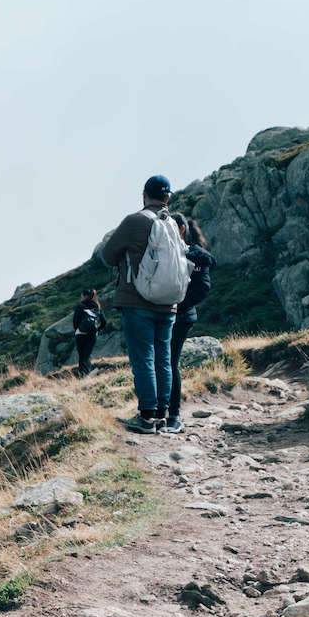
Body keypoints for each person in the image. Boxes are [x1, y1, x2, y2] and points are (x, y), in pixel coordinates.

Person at [94, 174, 186, 433]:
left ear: (144, 195)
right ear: (168, 198)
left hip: (138, 302)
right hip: (169, 303)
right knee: (163, 358)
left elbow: (107, 255)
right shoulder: (172, 223)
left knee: (143, 357)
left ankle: (146, 417)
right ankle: (162, 415)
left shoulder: (135, 221)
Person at [164, 217, 216, 430]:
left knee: (169, 362)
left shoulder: (196, 255)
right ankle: (158, 411)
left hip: (181, 317)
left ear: (182, 229)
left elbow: (202, 289)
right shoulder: (166, 251)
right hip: (166, 315)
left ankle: (174, 415)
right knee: (162, 362)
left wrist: (177, 305)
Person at [71, 288, 107, 377]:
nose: (81, 298)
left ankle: (82, 375)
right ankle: (86, 374)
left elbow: (75, 321)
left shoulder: (80, 306)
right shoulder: (97, 306)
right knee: (87, 355)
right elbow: (104, 322)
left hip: (80, 334)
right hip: (92, 334)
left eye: (81, 296)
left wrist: (77, 329)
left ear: (85, 296)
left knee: (82, 356)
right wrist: (97, 329)